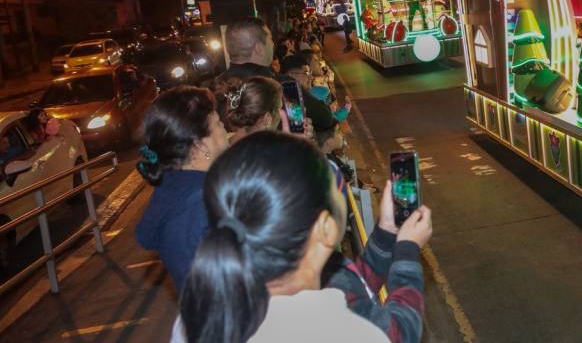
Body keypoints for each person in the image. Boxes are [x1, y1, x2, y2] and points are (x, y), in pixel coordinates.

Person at [174, 131, 431, 343]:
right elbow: (400, 331)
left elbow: (354, 286)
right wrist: (407, 252)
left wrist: (386, 233)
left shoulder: (198, 315)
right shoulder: (338, 331)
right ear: (326, 228)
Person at [135, 86, 230, 289]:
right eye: (218, 123)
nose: (225, 128)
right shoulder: (200, 206)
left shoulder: (177, 189)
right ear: (200, 147)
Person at [218, 17, 337, 139]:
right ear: (258, 48)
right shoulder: (283, 85)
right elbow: (324, 118)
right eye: (270, 39)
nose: (273, 44)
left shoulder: (215, 90)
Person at [214, 76, 283, 137]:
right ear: (267, 120)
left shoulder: (221, 141)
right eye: (280, 108)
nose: (280, 117)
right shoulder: (276, 147)